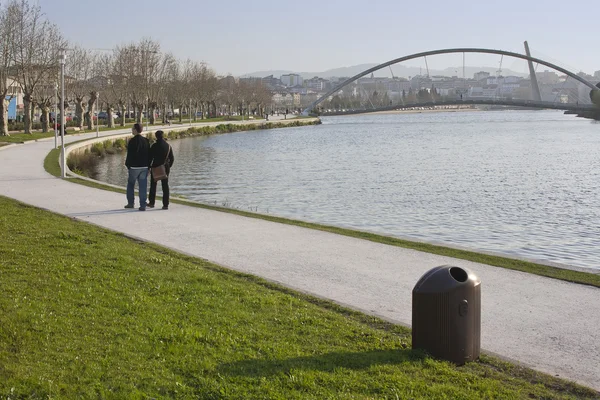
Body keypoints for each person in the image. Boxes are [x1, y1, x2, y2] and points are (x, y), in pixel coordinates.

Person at [124, 123, 150, 211]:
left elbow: (129, 155)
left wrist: (128, 165)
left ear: (135, 130)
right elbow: (148, 155)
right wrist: (149, 166)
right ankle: (143, 204)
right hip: (144, 167)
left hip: (134, 167)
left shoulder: (132, 141)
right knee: (143, 186)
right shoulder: (146, 141)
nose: (131, 130)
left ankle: (131, 203)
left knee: (131, 185)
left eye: (132, 128)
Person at [147, 130, 174, 210]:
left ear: (156, 136)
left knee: (153, 185)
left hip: (155, 167)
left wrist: (149, 167)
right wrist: (169, 166)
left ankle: (152, 202)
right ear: (163, 136)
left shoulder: (154, 146)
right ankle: (165, 204)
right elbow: (172, 158)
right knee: (165, 186)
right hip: (165, 167)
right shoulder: (168, 146)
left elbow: (150, 158)